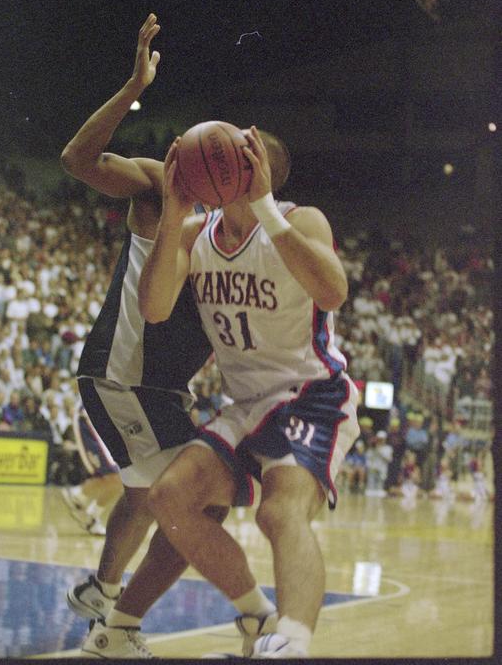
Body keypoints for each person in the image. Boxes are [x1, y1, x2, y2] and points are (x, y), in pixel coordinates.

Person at [59, 13, 259, 659]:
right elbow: (77, 160)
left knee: (149, 493)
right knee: (187, 500)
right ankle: (120, 625)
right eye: (218, 152)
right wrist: (133, 88)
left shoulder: (244, 241)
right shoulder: (158, 187)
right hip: (125, 373)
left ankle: (103, 594)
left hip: (160, 389)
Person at [139, 126, 360, 659]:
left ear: (251, 170)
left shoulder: (300, 220)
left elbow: (333, 292)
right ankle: (257, 615)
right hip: (244, 404)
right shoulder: (194, 232)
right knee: (170, 498)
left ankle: (293, 645)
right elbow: (154, 307)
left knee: (279, 512)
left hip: (311, 394)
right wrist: (172, 211)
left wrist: (264, 207)